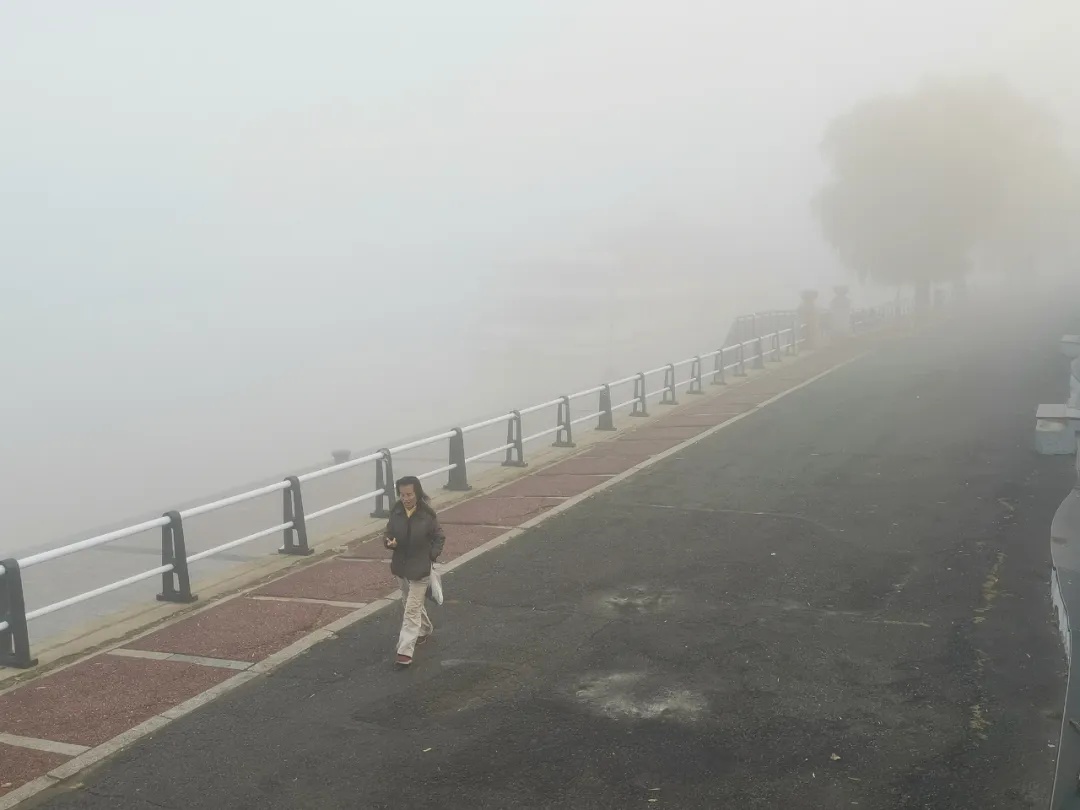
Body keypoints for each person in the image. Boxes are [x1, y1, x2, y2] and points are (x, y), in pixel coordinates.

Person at [383, 476, 446, 667]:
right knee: (408, 602)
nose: (406, 498)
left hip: (420, 568)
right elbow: (388, 533)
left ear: (417, 492)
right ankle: (424, 628)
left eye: (409, 494)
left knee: (411, 609)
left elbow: (439, 537)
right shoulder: (396, 512)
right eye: (402, 494)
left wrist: (432, 555)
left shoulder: (427, 514)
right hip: (401, 567)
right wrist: (389, 542)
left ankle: (405, 651)